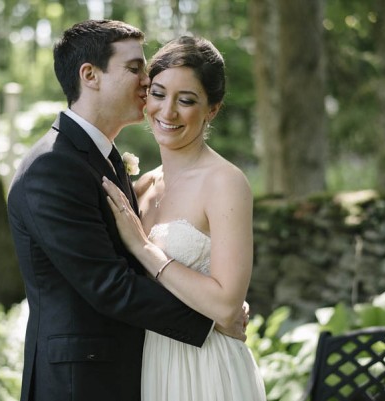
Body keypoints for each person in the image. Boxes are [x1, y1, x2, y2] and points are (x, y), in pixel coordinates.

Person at [7, 20, 247, 401]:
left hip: (145, 368)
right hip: (80, 382)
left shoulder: (104, 159)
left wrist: (218, 305)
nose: (145, 82)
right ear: (90, 75)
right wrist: (212, 321)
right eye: (135, 69)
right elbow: (108, 285)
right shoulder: (52, 168)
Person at [103, 36, 267, 401]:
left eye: (187, 100)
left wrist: (146, 250)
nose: (168, 111)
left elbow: (226, 306)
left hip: (206, 369)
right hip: (149, 364)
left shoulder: (225, 183)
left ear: (212, 108)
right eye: (159, 93)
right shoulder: (143, 186)